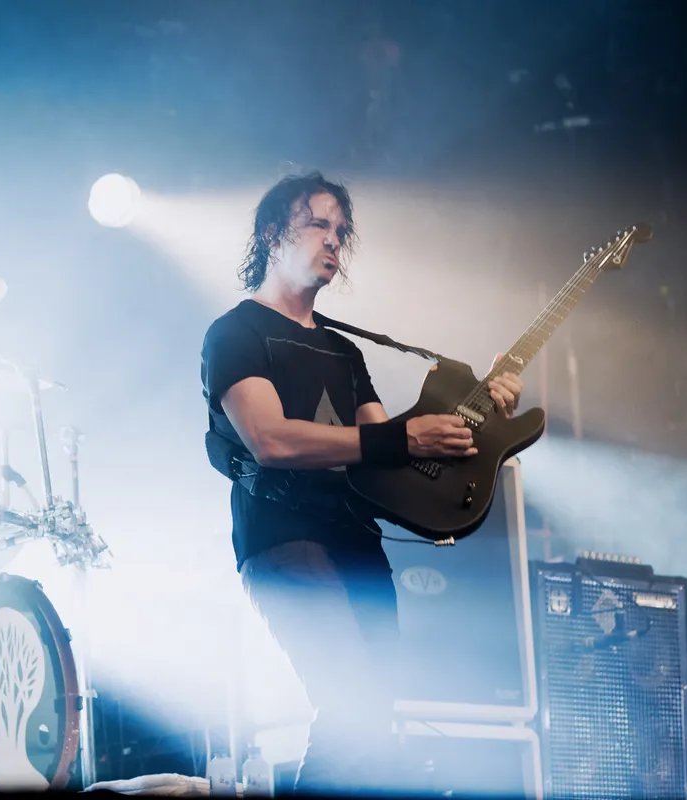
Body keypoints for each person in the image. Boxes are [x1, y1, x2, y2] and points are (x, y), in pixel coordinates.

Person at [200, 173, 523, 796]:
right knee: (352, 712)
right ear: (272, 232)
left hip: (357, 540)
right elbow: (272, 440)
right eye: (319, 224)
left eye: (341, 231)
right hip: (285, 538)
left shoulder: (347, 352)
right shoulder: (235, 333)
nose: (334, 241)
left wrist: (480, 415)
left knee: (374, 723)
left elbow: (389, 460)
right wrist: (406, 439)